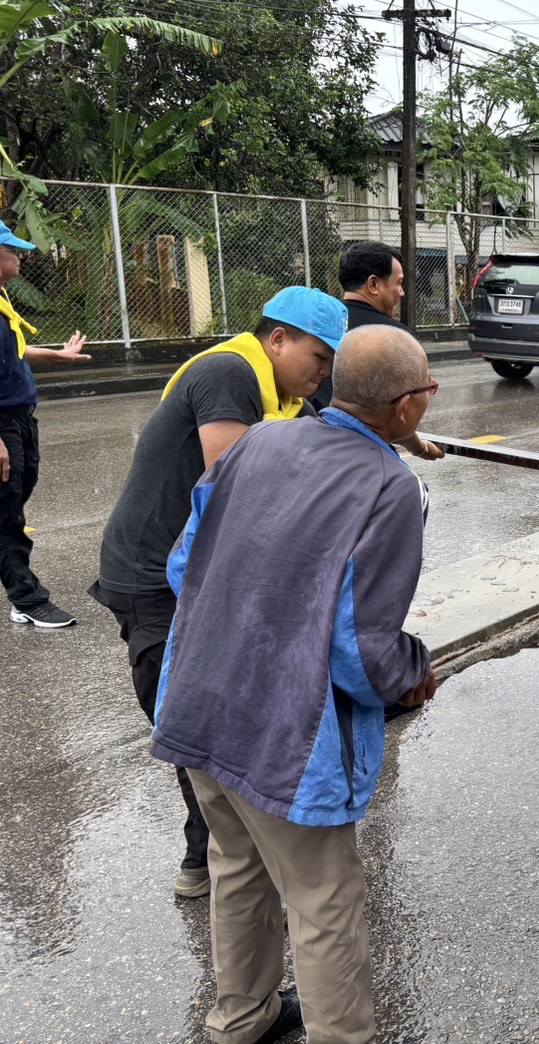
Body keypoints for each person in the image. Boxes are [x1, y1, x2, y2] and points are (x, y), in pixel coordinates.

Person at [151, 324, 439, 1044]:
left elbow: (184, 567)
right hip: (282, 732)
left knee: (236, 867)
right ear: (407, 405)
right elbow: (359, 650)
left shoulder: (258, 441)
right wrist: (412, 672)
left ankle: (240, 1017)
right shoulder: (389, 486)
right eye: (429, 389)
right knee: (324, 901)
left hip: (197, 697)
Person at [91, 286, 346, 898]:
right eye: (319, 357)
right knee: (195, 718)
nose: (323, 374)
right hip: (153, 577)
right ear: (277, 339)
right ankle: (216, 862)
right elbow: (237, 488)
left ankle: (216, 861)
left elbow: (329, 443)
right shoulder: (229, 373)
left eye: (332, 364)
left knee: (224, 714)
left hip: (203, 571)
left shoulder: (286, 394)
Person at [0, 224, 92, 629]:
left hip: (21, 417)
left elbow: (16, 349)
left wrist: (59, 356)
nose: (20, 256)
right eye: (11, 249)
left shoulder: (2, 299)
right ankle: (27, 599)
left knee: (16, 497)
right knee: (6, 514)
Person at [310, 241, 442, 462]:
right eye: (398, 283)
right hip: (361, 454)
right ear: (373, 284)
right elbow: (395, 416)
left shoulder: (315, 328)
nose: (402, 292)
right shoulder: (394, 339)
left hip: (313, 444)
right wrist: (418, 447)